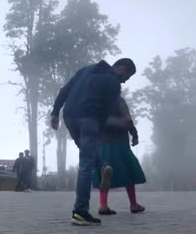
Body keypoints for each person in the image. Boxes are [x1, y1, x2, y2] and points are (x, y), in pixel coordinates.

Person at [51, 58, 136, 226]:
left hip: (69, 117)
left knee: (86, 151)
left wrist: (55, 112)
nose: (125, 81)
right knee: (86, 163)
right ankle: (80, 212)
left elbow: (65, 90)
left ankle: (103, 165)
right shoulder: (113, 83)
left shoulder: (86, 70)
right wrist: (99, 128)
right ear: (121, 68)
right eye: (127, 76)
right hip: (89, 119)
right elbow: (105, 110)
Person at [92, 96, 146, 215]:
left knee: (104, 171)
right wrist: (134, 133)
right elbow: (127, 117)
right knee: (128, 171)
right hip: (120, 142)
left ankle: (103, 205)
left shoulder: (97, 100)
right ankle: (133, 204)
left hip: (102, 142)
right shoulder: (118, 100)